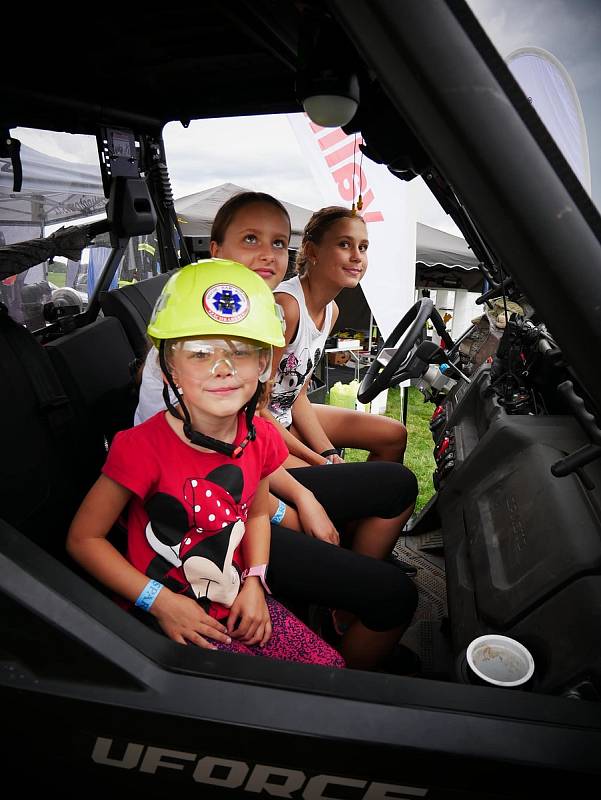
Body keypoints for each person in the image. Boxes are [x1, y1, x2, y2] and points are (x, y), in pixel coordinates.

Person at [134, 192, 418, 670]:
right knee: (392, 595)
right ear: (216, 249)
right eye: (250, 239)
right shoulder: (209, 329)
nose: (268, 254)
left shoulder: (250, 319)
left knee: (393, 484)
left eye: (277, 243)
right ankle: (344, 688)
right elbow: (246, 435)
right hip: (203, 519)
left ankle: (346, 611)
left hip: (241, 488)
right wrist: (303, 490)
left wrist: (314, 470)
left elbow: (255, 434)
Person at [67, 259, 344, 668]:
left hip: (236, 595)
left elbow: (256, 513)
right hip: (162, 615)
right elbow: (84, 540)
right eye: (199, 353)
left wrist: (255, 581)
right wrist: (159, 603)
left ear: (265, 364)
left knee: (331, 671)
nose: (223, 369)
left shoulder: (262, 437)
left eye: (243, 352)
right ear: (168, 368)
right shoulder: (140, 448)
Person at [267, 205, 408, 467]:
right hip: (260, 429)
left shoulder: (332, 311)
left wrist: (328, 452)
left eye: (363, 248)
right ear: (311, 251)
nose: (357, 257)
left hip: (286, 416)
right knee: (332, 483)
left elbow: (297, 395)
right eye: (345, 244)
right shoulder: (286, 307)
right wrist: (317, 459)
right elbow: (255, 408)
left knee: (393, 435)